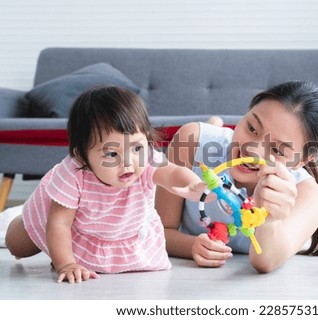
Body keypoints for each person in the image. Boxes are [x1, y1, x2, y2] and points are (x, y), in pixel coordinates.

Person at [5, 85, 208, 283]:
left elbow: (172, 172)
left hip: (122, 229)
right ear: (81, 156)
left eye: (137, 148)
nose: (128, 162)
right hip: (68, 221)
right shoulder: (73, 173)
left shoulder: (147, 159)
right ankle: (19, 216)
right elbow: (60, 224)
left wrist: (193, 183)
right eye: (112, 154)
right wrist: (66, 264)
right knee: (17, 246)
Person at [156, 80, 318, 273]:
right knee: (210, 132)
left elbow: (265, 262)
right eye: (252, 128)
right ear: (246, 112)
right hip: (209, 145)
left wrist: (270, 220)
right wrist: (192, 247)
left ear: (302, 160)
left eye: (276, 149)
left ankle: (218, 124)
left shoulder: (306, 194)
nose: (252, 151)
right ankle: (214, 125)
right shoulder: (192, 140)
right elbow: (160, 231)